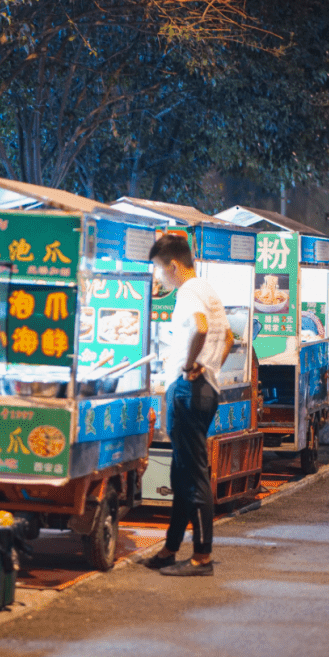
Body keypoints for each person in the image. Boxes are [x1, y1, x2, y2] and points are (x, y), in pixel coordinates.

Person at [142, 234, 232, 577]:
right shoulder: (208, 289)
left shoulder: (189, 292)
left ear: (173, 266)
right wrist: (211, 368)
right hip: (203, 390)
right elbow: (227, 338)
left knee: (193, 475)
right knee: (181, 473)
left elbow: (201, 326)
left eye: (159, 270)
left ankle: (202, 557)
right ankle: (170, 547)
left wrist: (191, 364)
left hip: (188, 391)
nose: (159, 278)